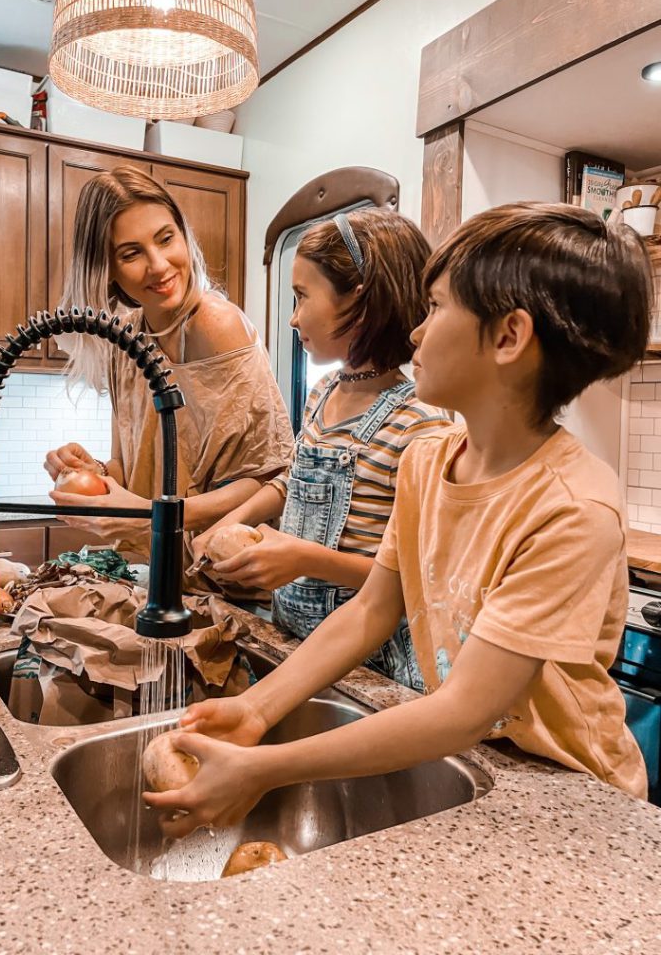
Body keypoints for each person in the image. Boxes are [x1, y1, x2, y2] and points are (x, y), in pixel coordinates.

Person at [144, 202, 653, 835]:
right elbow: (370, 611)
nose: (415, 331)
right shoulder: (429, 461)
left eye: (436, 307)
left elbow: (464, 709)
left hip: (571, 793)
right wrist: (254, 708)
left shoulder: (572, 509)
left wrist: (265, 767)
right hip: (482, 758)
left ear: (508, 337)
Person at [193, 208, 450, 687]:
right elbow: (291, 483)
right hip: (294, 643)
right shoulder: (323, 392)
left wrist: (302, 559)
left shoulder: (419, 424)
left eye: (302, 296)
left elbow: (412, 576)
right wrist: (230, 522)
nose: (292, 318)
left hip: (368, 668)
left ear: (363, 301)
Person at [44, 165, 294, 576]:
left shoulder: (215, 326)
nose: (159, 265)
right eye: (131, 253)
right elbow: (134, 470)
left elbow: (271, 478)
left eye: (166, 238)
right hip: (166, 573)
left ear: (183, 234)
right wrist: (96, 474)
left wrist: (152, 513)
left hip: (229, 575)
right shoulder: (124, 339)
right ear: (105, 269)